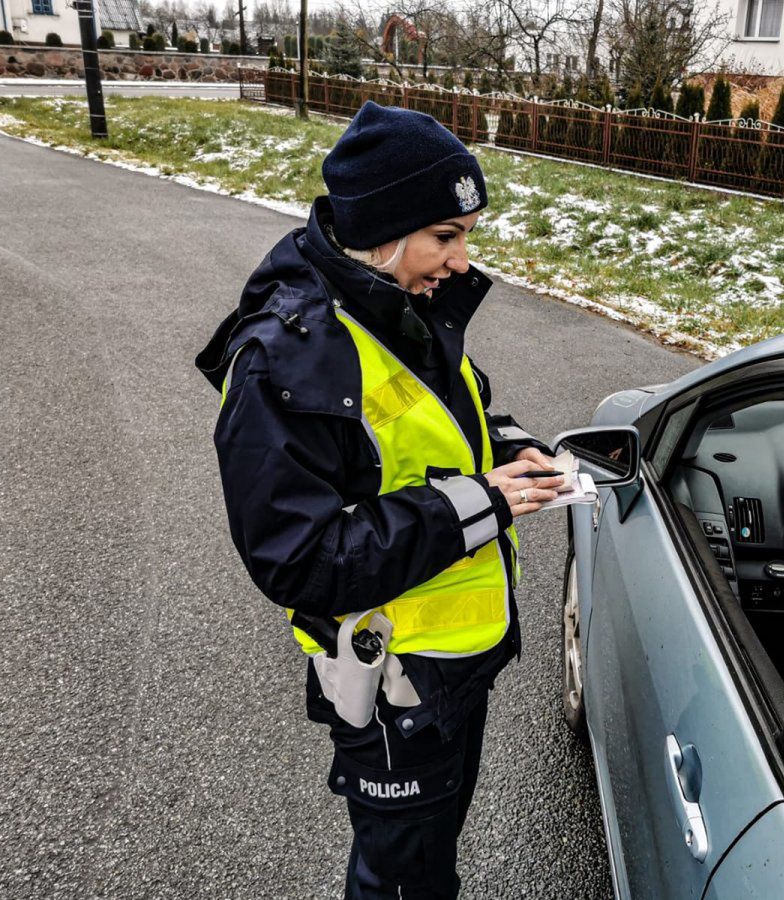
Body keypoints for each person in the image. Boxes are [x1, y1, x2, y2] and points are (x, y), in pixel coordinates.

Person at [195, 101, 564, 899]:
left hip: (457, 664)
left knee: (432, 861)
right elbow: (301, 558)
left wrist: (508, 453)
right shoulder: (289, 355)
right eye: (447, 236)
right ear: (383, 231)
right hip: (394, 679)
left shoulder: (400, 306)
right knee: (400, 880)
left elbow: (424, 432)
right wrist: (483, 504)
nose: (462, 261)